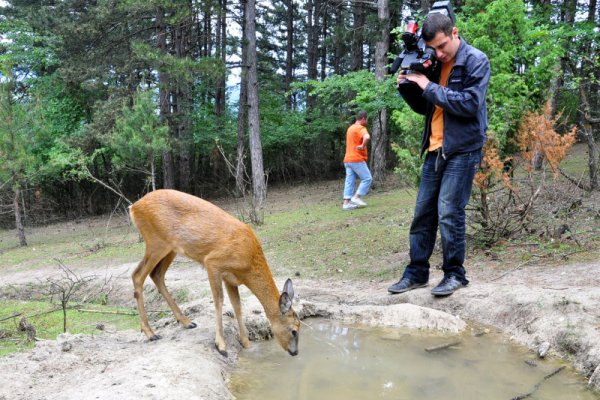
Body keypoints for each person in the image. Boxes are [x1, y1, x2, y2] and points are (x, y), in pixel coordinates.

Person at [387, 12, 490, 296]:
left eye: (444, 45)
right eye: (435, 48)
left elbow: (469, 104)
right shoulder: (432, 63)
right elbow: (427, 107)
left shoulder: (475, 61)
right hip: (434, 148)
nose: (440, 53)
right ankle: (417, 273)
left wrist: (427, 85)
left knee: (449, 212)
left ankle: (455, 274)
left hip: (463, 149)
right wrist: (409, 88)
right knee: (423, 214)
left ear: (454, 33)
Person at [342, 110, 372, 211]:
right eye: (366, 119)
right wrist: (363, 145)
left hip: (347, 160)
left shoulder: (350, 128)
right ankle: (356, 197)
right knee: (367, 178)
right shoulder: (361, 128)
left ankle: (346, 204)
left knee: (349, 181)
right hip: (356, 158)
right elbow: (367, 137)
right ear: (363, 118)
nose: (366, 121)